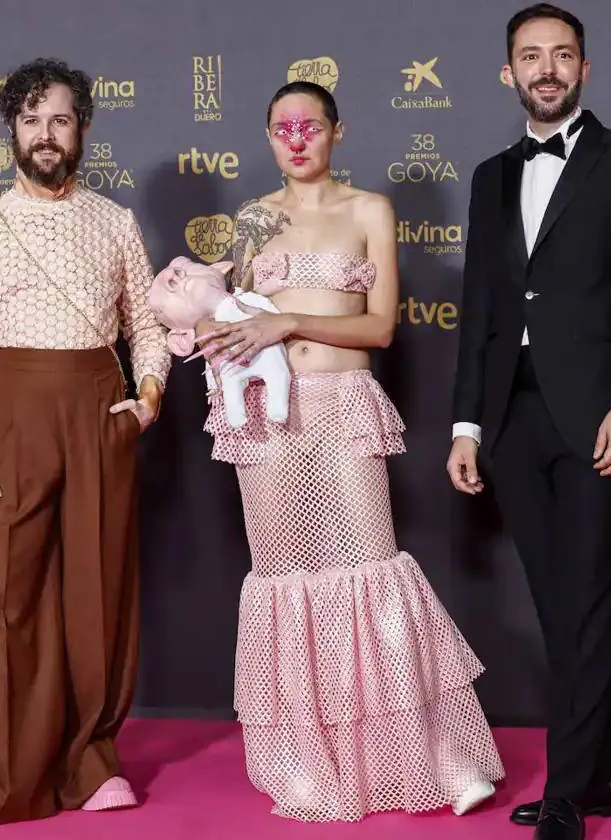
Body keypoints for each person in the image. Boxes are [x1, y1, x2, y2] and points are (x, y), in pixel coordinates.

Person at [193, 80, 505, 823]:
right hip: (268, 419)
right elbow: (230, 316)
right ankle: (305, 765)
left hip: (343, 407)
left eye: (310, 126)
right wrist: (205, 334)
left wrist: (286, 321)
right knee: (287, 583)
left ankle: (438, 758)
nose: (296, 139)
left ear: (338, 131)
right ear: (268, 137)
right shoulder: (250, 221)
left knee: (370, 573)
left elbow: (380, 328)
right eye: (281, 128)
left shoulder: (369, 211)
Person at [446, 5, 611, 840]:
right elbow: (479, 309)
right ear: (507, 73)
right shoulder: (488, 176)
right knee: (560, 606)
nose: (546, 68)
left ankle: (566, 794)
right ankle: (606, 774)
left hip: (597, 417)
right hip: (511, 420)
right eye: (529, 56)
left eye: (561, 55)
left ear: (584, 69)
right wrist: (466, 426)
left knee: (588, 602)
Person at [0, 58, 169, 830]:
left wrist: (149, 402)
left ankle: (93, 761)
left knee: (99, 591)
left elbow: (149, 330)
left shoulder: (117, 220)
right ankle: (6, 776)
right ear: (11, 131)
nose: (45, 134)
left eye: (59, 119)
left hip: (101, 412)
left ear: (83, 129)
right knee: (12, 599)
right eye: (31, 120)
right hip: (14, 416)